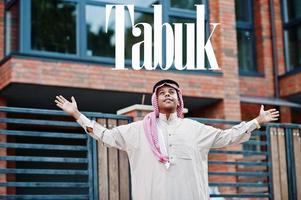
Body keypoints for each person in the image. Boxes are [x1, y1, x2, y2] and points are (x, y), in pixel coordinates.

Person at [54, 79, 279, 200]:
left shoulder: (195, 129)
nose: (167, 94)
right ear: (155, 100)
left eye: (172, 92)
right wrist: (77, 115)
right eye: (162, 92)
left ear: (179, 100)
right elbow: (105, 136)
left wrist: (256, 122)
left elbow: (227, 137)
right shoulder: (138, 130)